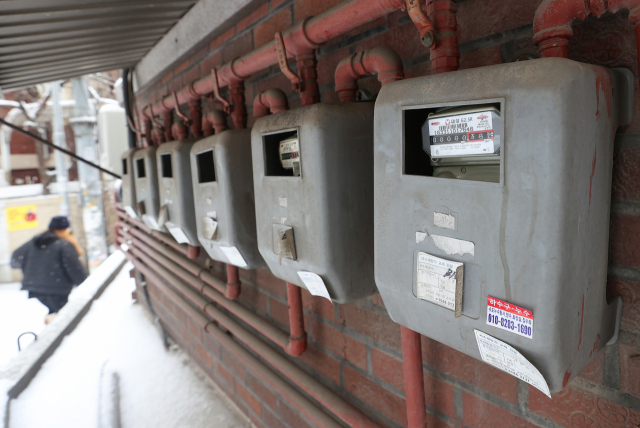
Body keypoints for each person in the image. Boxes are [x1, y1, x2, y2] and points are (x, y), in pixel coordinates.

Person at [11, 216, 87, 324]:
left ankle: (50, 323)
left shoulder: (34, 241)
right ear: (65, 229)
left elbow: (15, 258)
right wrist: (85, 284)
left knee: (57, 314)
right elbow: (74, 267)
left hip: (36, 288)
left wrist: (32, 267)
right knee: (64, 319)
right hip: (56, 289)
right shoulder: (63, 244)